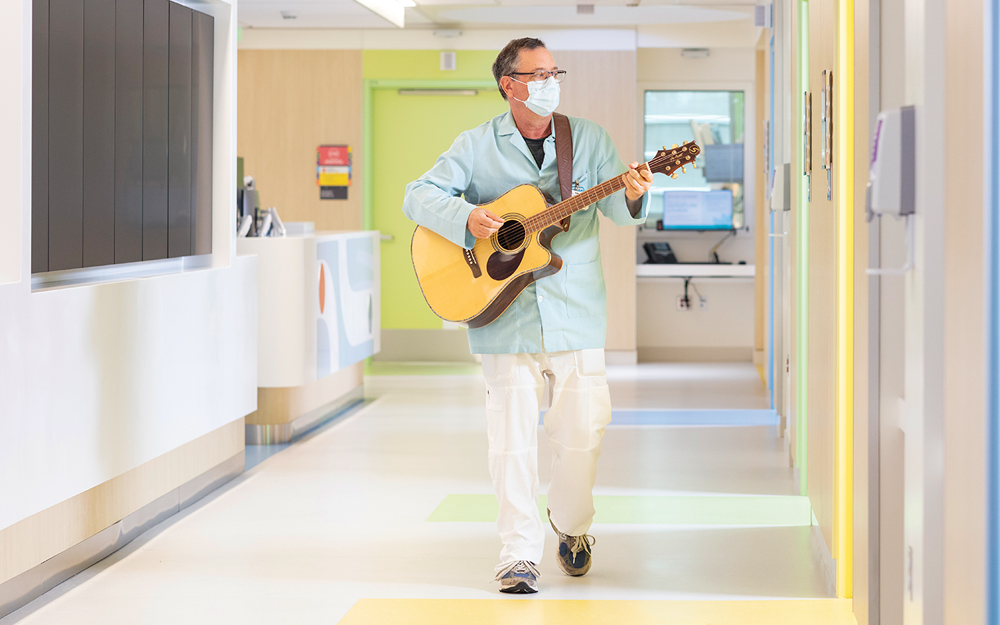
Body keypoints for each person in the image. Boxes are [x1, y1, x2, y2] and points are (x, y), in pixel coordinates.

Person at [401, 37, 654, 594]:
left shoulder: (586, 140)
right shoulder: (475, 144)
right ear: (508, 85)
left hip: (576, 312)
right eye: (536, 74)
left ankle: (572, 527)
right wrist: (469, 217)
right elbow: (417, 196)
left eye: (553, 71)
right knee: (511, 442)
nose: (548, 81)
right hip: (503, 317)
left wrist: (634, 192)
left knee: (582, 435)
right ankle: (517, 555)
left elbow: (618, 210)